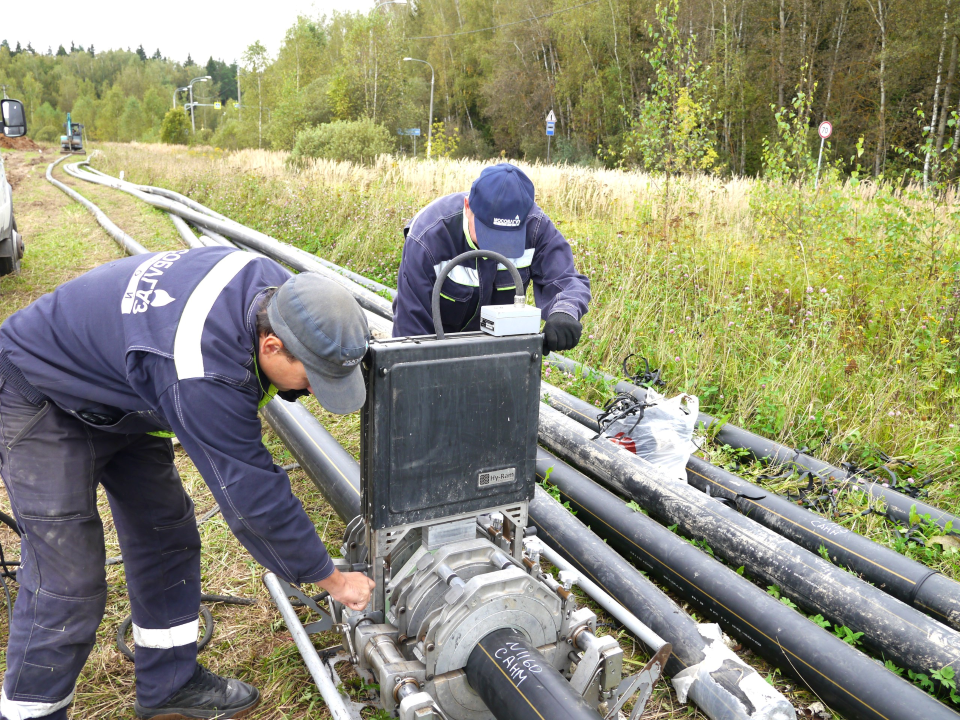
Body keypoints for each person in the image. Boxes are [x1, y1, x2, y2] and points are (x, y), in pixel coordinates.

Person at [0, 246, 376, 720]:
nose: (312, 393)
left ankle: (169, 687)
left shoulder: (282, 297)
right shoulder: (203, 371)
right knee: (67, 581)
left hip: (127, 390)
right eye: (312, 379)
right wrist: (333, 579)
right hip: (43, 393)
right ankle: (31, 714)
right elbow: (252, 496)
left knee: (166, 535)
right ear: (272, 347)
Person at [392, 163, 591, 351]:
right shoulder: (428, 238)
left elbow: (565, 279)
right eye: (488, 232)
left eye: (507, 237)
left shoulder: (536, 227)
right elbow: (411, 330)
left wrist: (564, 311)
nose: (496, 247)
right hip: (440, 345)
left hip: (501, 350)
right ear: (468, 206)